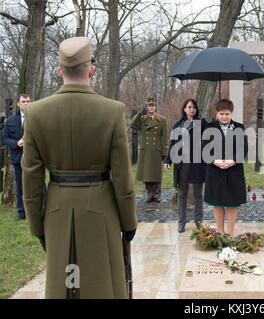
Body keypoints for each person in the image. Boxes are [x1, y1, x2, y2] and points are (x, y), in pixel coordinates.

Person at [21, 37, 137, 298]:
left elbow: (31, 178)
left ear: (60, 71)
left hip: (57, 210)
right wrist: (128, 222)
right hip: (100, 209)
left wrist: (36, 226)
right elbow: (123, 177)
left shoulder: (35, 113)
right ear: (91, 70)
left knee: (66, 284)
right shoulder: (112, 111)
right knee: (101, 284)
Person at [203, 99, 248, 237]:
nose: (224, 117)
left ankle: (230, 233)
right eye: (221, 114)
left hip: (234, 170)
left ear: (231, 113)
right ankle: (220, 232)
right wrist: (215, 161)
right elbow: (204, 148)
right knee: (218, 201)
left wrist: (233, 161)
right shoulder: (209, 127)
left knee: (232, 202)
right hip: (215, 170)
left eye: (227, 114)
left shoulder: (239, 127)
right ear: (217, 113)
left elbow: (243, 148)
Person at [164, 99, 208, 233]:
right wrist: (168, 160)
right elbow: (173, 144)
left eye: (194, 107)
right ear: (184, 109)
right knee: (182, 193)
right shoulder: (178, 124)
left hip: (197, 163)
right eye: (189, 107)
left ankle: (199, 222)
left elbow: (208, 140)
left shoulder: (202, 123)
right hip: (182, 164)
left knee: (197, 194)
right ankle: (181, 222)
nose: (192, 109)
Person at [131, 96, 169, 202]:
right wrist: (139, 113)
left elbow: (165, 138)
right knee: (146, 173)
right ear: (146, 107)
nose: (151, 107)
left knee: (156, 173)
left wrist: (165, 152)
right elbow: (133, 125)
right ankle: (149, 194)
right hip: (145, 150)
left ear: (155, 107)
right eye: (149, 106)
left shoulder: (162, 120)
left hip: (156, 150)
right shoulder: (142, 120)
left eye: (153, 105)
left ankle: (156, 195)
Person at [2, 94, 30, 221]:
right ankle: (21, 213)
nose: (26, 103)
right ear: (18, 104)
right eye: (24, 101)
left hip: (34, 159)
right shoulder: (11, 120)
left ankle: (42, 210)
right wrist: (16, 143)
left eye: (28, 101)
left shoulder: (36, 118)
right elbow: (4, 138)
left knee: (40, 185)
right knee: (20, 188)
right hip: (18, 158)